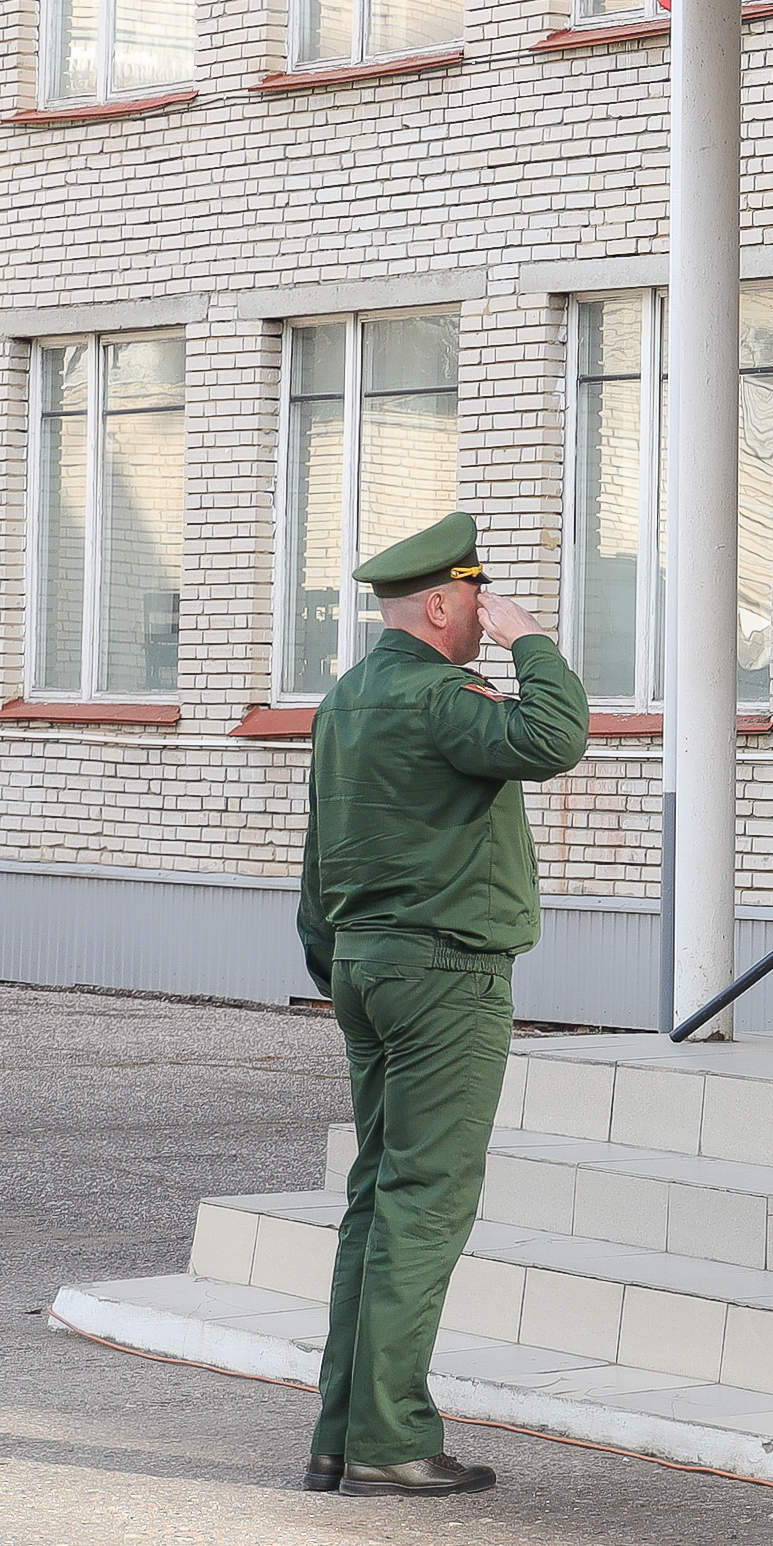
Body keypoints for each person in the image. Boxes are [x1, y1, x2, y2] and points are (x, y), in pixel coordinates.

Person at [296, 514, 591, 1495]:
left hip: (364, 970)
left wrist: (335, 962)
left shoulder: (347, 698)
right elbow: (553, 736)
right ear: (437, 603)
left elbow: (322, 847)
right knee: (423, 1206)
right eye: (475, 601)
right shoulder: (438, 696)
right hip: (446, 976)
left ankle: (342, 1430)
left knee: (376, 1200)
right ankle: (390, 1439)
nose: (483, 617)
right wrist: (533, 642)